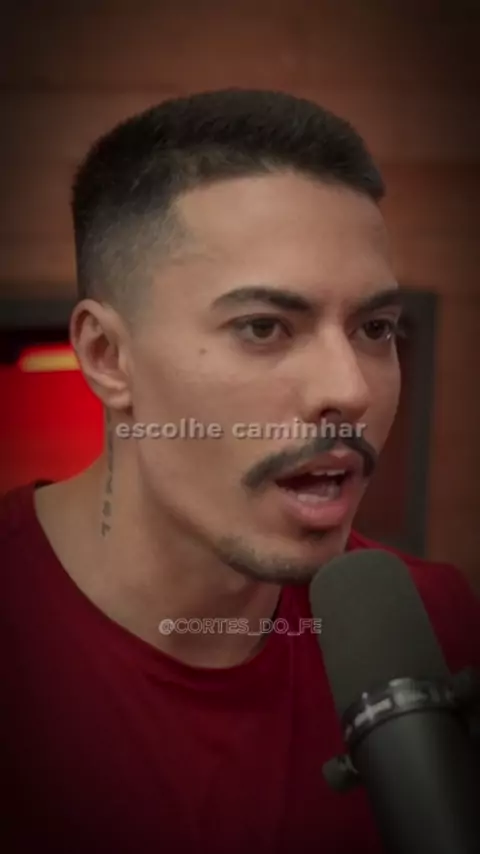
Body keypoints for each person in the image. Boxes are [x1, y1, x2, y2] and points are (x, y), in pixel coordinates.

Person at [1, 89, 479, 854]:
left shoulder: (437, 626)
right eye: (263, 328)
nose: (350, 389)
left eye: (375, 328)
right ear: (107, 356)